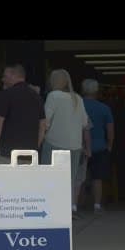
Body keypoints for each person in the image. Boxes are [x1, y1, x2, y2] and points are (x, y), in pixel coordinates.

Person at [42, 69, 90, 215]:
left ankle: (51, 209)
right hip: (75, 145)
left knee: (49, 178)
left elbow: (46, 120)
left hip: (54, 143)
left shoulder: (53, 96)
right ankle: (67, 209)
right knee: (69, 180)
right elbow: (84, 123)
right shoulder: (77, 98)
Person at [0, 64, 46, 164]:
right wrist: (35, 146)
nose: (2, 79)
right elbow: (42, 125)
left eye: (5, 76)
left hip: (7, 154)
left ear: (14, 76)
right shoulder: (37, 97)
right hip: (30, 156)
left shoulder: (5, 95)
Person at [82, 79, 114, 214]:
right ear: (97, 91)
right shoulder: (104, 108)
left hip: (81, 146)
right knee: (97, 178)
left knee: (80, 178)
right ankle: (96, 205)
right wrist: (110, 145)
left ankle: (76, 206)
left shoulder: (78, 106)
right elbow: (110, 129)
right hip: (100, 147)